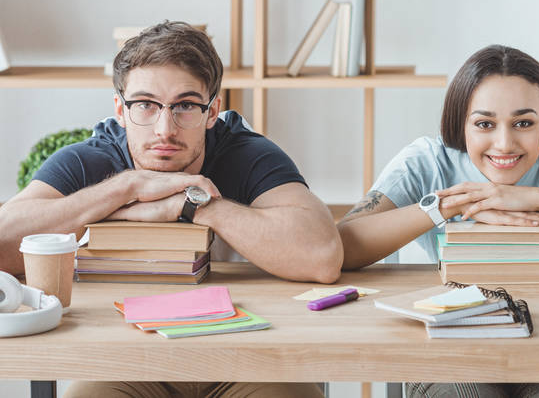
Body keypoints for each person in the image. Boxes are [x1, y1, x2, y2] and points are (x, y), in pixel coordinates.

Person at [0, 21, 341, 398]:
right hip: (123, 363)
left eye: (185, 106)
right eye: (145, 105)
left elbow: (322, 255)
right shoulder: (90, 160)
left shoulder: (245, 153)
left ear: (212, 112)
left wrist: (196, 206)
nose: (165, 128)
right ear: (120, 108)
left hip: (247, 357)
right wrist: (127, 188)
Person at [339, 44, 539, 398]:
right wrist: (448, 204)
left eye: (523, 123)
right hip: (453, 342)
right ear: (461, 122)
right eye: (484, 124)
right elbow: (341, 247)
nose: (504, 143)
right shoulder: (427, 161)